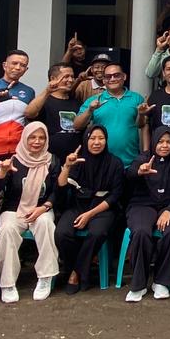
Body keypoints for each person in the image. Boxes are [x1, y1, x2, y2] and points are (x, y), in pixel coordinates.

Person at [0, 121, 61, 303]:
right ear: (24, 138)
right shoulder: (12, 161)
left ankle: (45, 277)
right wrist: (2, 172)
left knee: (46, 224)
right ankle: (8, 283)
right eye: (32, 137)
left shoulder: (52, 161)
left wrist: (45, 207)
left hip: (41, 208)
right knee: (7, 231)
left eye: (41, 138)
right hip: (14, 209)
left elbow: (57, 190)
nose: (37, 141)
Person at [53, 124, 125, 294]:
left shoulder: (115, 163)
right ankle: (79, 268)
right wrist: (67, 167)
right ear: (86, 140)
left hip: (102, 209)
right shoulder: (77, 161)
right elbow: (61, 189)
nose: (96, 142)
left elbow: (115, 196)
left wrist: (90, 214)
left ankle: (75, 273)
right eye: (92, 138)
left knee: (97, 232)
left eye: (101, 138)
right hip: (78, 205)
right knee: (62, 233)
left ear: (106, 141)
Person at [123, 127, 170, 301]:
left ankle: (161, 281)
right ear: (154, 142)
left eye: (168, 142)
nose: (164, 146)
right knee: (141, 231)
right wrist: (140, 171)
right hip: (143, 204)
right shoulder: (143, 158)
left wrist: (169, 210)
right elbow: (129, 174)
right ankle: (139, 283)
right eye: (160, 142)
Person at [75, 63, 144, 166]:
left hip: (130, 161)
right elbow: (77, 125)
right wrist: (90, 110)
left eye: (116, 75)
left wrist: (145, 154)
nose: (112, 79)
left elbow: (142, 125)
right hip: (102, 163)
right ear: (103, 80)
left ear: (124, 76)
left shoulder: (137, 98)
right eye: (108, 76)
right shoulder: (94, 100)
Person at [24, 63, 83, 160]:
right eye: (66, 77)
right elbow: (29, 114)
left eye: (72, 77)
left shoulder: (78, 103)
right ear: (53, 78)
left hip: (75, 158)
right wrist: (47, 91)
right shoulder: (44, 101)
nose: (70, 80)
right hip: (51, 160)